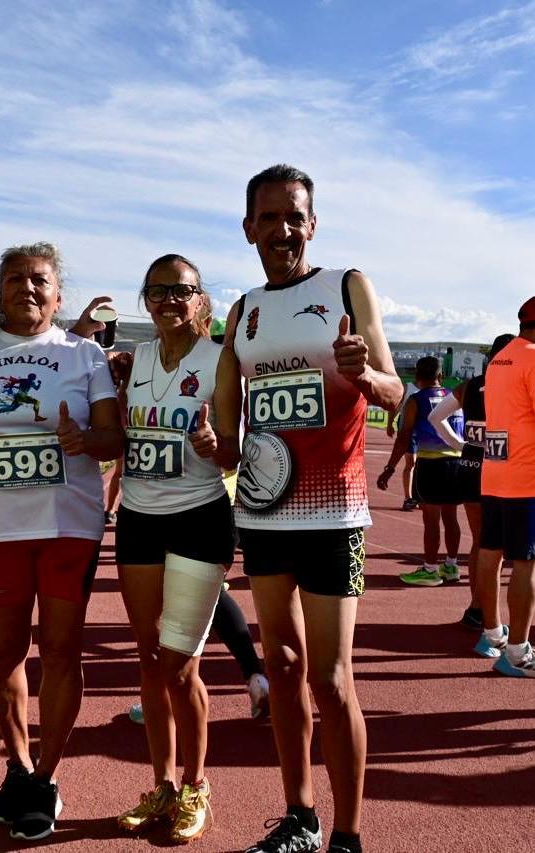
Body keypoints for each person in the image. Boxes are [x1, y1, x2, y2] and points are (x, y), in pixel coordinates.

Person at [225, 164, 402, 853]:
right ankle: (299, 816)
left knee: (331, 679)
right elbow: (226, 430)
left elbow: (392, 394)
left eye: (295, 216)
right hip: (265, 514)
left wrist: (364, 372)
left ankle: (349, 835)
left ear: (313, 223)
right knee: (286, 664)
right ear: (249, 229)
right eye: (269, 218)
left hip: (334, 513)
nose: (283, 229)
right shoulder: (242, 311)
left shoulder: (346, 285)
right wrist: (213, 441)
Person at [0, 242, 123, 841]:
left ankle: (46, 774)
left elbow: (113, 438)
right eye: (15, 279)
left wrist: (86, 441)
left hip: (67, 526)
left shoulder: (84, 354)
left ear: (58, 295)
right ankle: (18, 767)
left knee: (59, 651)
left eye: (40, 281)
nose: (27, 289)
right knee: (2, 652)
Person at [115, 254, 241, 844]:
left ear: (200, 300)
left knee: (179, 663)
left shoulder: (221, 361)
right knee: (146, 657)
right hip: (138, 519)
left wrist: (216, 442)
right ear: (146, 300)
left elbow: (234, 455)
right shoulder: (135, 359)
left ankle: (196, 784)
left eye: (181, 290)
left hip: (198, 518)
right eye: (158, 290)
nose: (169, 300)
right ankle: (161, 783)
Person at [426, 334, 516, 630]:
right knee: (503, 547)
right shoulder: (516, 382)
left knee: (481, 542)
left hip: (469, 466)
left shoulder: (469, 386)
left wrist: (458, 442)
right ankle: (494, 617)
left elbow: (436, 416)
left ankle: (476, 608)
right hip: (504, 470)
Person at [473, 297, 535, 676]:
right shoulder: (533, 357)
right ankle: (518, 652)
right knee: (527, 563)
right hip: (526, 474)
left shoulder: (500, 358)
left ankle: (493, 633)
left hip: (494, 469)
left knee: (490, 552)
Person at [377, 357, 464, 587]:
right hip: (456, 464)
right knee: (451, 517)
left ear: (416, 377)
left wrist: (390, 468)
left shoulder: (416, 400)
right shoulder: (454, 397)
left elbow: (403, 437)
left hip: (431, 465)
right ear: (441, 377)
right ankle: (452, 565)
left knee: (431, 520)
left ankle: (430, 569)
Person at [386, 378, 421, 511]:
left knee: (421, 463)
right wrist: (390, 423)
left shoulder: (431, 388)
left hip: (423, 429)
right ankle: (408, 498)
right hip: (408, 429)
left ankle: (419, 496)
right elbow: (395, 405)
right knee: (411, 462)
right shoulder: (407, 387)